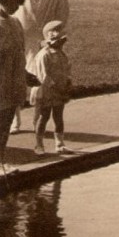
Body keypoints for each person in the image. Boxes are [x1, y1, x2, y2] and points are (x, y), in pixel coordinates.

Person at [12, 0, 70, 133]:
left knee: (42, 80)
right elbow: (11, 11)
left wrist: (54, 36)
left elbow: (62, 12)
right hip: (21, 36)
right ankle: (15, 120)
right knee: (18, 77)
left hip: (45, 39)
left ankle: (37, 120)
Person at [0, 0, 27, 168]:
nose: (16, 7)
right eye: (13, 2)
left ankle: (1, 158)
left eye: (19, 3)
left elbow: (19, 53)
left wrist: (26, 74)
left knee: (7, 121)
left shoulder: (15, 23)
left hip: (14, 80)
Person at [28, 20, 73, 155]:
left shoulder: (61, 54)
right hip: (46, 91)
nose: (63, 43)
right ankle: (39, 145)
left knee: (58, 117)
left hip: (60, 90)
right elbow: (44, 77)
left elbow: (66, 70)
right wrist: (57, 88)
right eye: (60, 41)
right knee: (44, 117)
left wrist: (67, 83)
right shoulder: (44, 55)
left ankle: (59, 144)